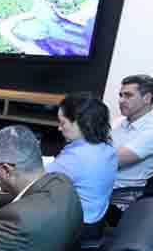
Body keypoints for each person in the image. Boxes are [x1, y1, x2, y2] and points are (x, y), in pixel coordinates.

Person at [47, 92, 117, 240]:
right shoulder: (106, 147)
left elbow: (34, 182)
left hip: (73, 230)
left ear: (81, 123)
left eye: (63, 122)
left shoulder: (77, 156)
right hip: (95, 223)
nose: (59, 128)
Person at [110, 74, 153, 210]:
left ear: (147, 98)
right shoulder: (121, 120)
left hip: (115, 196)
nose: (121, 100)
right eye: (120, 95)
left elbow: (110, 160)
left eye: (128, 96)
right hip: (97, 180)